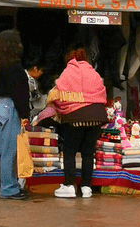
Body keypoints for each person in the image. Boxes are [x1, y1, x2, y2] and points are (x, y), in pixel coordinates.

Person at [46, 48, 108, 199]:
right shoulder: (93, 72)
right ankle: (86, 187)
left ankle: (69, 185)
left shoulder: (68, 72)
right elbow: (102, 92)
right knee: (88, 152)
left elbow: (58, 94)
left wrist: (62, 109)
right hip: (96, 116)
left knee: (70, 151)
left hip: (75, 118)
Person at [0, 30, 30, 200]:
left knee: (1, 148)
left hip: (0, 107)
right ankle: (9, 188)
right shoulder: (15, 67)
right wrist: (25, 114)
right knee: (9, 151)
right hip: (10, 108)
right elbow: (20, 94)